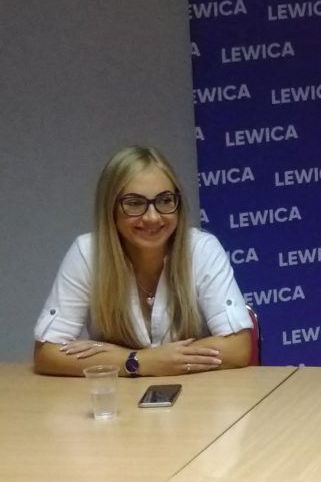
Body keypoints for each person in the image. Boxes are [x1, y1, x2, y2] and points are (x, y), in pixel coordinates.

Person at [34, 146, 254, 377]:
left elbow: (238, 348)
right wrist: (139, 361)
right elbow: (47, 354)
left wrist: (124, 359)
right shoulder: (88, 252)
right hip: (117, 396)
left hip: (200, 392)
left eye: (165, 200)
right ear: (110, 208)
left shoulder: (202, 249)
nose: (152, 217)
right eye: (134, 203)